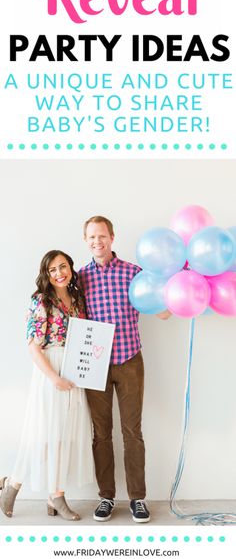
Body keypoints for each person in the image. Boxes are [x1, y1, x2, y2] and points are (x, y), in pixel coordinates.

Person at [78, 216, 169, 524]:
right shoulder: (79, 279)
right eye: (91, 237)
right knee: (101, 433)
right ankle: (106, 496)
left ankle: (137, 499)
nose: (97, 241)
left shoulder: (134, 273)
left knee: (132, 432)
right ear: (85, 240)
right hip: (95, 365)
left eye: (102, 236)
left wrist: (171, 303)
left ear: (112, 237)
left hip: (130, 360)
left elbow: (161, 308)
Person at [0, 250, 93, 521]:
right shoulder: (41, 300)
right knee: (43, 435)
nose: (59, 273)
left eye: (63, 267)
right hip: (51, 368)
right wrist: (54, 377)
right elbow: (33, 346)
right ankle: (14, 484)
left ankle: (55, 495)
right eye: (52, 270)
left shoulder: (77, 298)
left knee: (64, 436)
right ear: (46, 274)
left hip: (75, 368)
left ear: (71, 269)